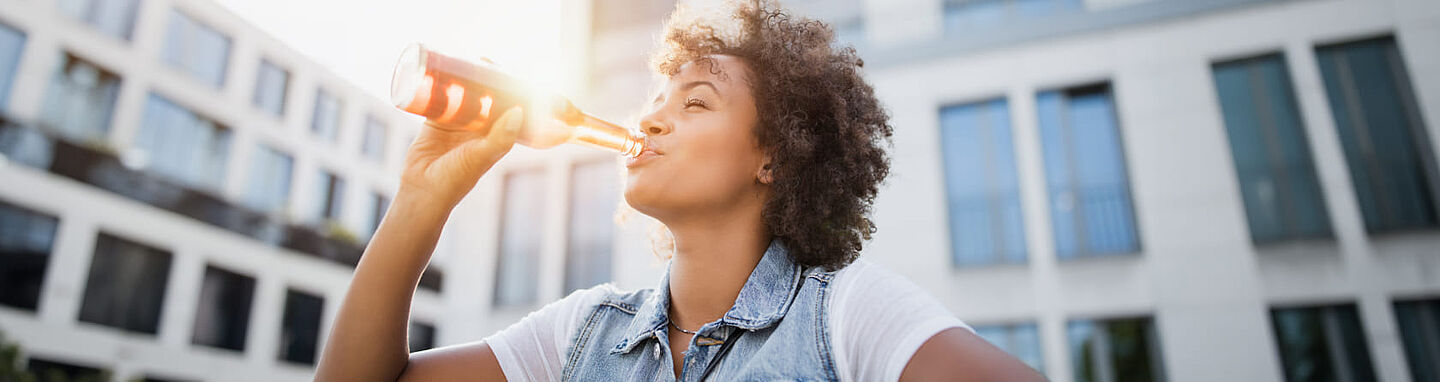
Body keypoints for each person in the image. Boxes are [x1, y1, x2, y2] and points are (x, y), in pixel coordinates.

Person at [315, 0, 1046, 380]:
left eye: (695, 102)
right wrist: (422, 198)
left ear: (775, 158)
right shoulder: (583, 335)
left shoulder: (846, 316)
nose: (653, 116)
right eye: (656, 97)